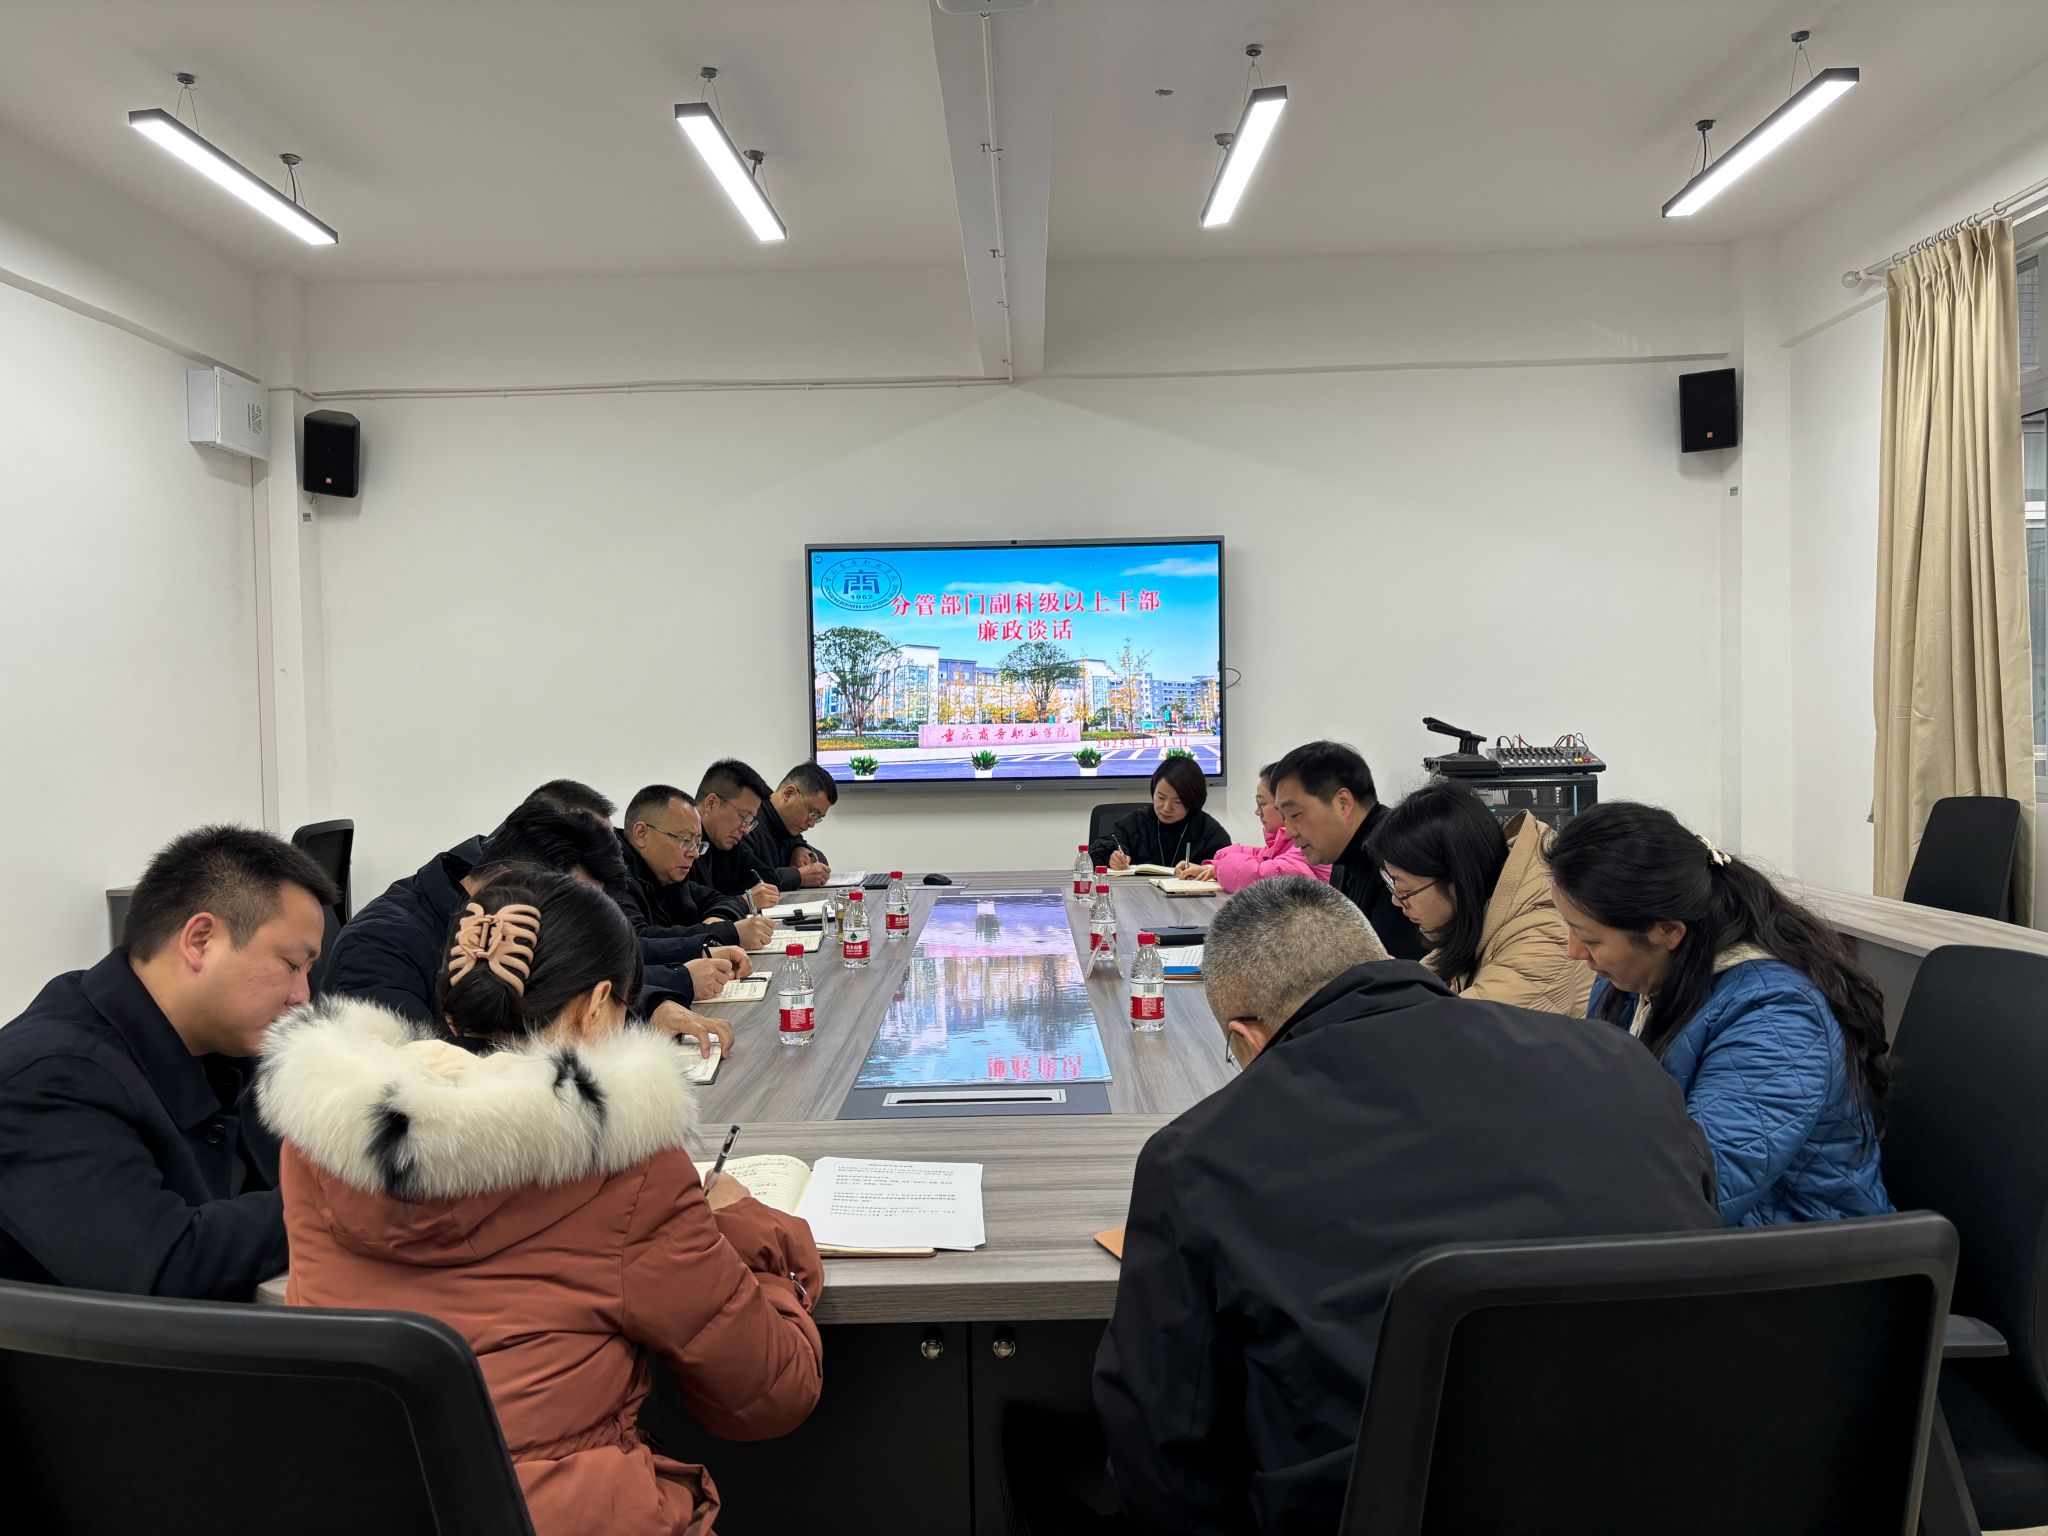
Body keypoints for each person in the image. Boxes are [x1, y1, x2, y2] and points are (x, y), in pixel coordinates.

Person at [1092, 878, 1718, 1534]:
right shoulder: (1619, 1063)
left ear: (1247, 1038)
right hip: (1676, 1487)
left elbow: (1164, 1448)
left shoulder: (1200, 1156)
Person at [260, 870, 823, 1536]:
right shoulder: (623, 1167)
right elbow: (769, 1392)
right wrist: (744, 1229)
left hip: (358, 1508)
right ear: (597, 1006)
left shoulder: (317, 1141)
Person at [0, 827, 335, 1297]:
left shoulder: (225, 1041)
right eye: (292, 964)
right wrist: (345, 1199)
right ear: (200, 941)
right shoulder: (47, 1078)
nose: (303, 996)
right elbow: (164, 1267)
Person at [1546, 802, 1895, 1227]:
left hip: (1803, 1249)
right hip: (1701, 1229)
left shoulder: (1776, 1018)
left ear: (1667, 932)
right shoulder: (1628, 982)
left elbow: (1697, 1193)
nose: (1574, 952)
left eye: (1589, 938)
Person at [325, 803, 730, 1054]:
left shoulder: (510, 917)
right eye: (572, 911)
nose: (578, 930)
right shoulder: (378, 948)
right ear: (518, 879)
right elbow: (435, 1091)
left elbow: (558, 991)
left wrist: (647, 1006)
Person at [1368, 780, 1591, 1014]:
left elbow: (1458, 1026)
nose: (1396, 901)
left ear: (1458, 880)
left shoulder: (1542, 940)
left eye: (1405, 891)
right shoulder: (1479, 914)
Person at [1268, 740, 1425, 960]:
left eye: (1295, 815)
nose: (1289, 832)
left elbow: (1390, 968)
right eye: (1284, 818)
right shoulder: (1342, 853)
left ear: (1342, 803)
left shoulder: (1397, 854)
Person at [617, 783, 776, 963]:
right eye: (685, 840)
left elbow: (719, 900)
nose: (694, 853)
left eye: (698, 843)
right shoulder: (613, 876)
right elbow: (636, 942)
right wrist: (728, 933)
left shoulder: (668, 876)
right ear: (641, 834)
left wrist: (717, 921)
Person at [1171, 763, 1330, 892]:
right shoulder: (1285, 844)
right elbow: (1259, 857)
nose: (1257, 812)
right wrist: (1211, 866)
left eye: (1262, 804)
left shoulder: (1305, 844)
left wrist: (1218, 868)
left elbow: (1259, 875)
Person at [1089, 756, 1231, 871]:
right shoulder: (1137, 821)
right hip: (1140, 896)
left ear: (1193, 801)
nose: (1166, 807)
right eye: (1161, 797)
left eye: (1177, 801)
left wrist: (1210, 870)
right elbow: (1095, 852)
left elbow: (1229, 869)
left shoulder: (1210, 833)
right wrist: (1110, 857)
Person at [691, 759, 783, 912]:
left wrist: (734, 900)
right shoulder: (680, 846)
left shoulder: (727, 844)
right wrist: (744, 901)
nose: (745, 830)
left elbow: (768, 878)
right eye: (744, 817)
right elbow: (691, 908)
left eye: (750, 821)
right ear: (711, 803)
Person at [739, 764, 837, 890]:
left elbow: (820, 866)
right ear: (788, 793)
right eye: (812, 813)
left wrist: (803, 849)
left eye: (818, 817)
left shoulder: (789, 829)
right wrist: (798, 876)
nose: (811, 824)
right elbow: (746, 880)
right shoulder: (748, 823)